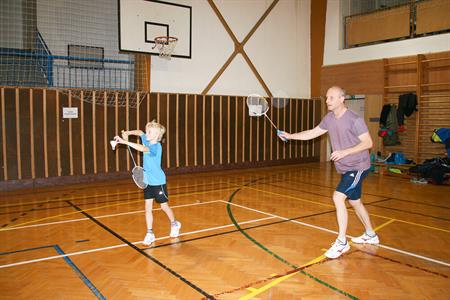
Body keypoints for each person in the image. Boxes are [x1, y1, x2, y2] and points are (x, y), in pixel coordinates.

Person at [278, 86, 379, 259]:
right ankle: (371, 235)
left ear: (342, 99)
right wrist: (291, 135)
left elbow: (368, 143)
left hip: (358, 166)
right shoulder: (329, 118)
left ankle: (342, 242)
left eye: (331, 98)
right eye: (326, 98)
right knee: (355, 202)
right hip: (346, 168)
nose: (327, 101)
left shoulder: (355, 119)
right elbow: (313, 132)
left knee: (338, 197)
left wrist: (344, 152)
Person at [114, 120, 181, 246]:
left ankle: (175, 224)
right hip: (147, 182)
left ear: (156, 135)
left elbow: (143, 149)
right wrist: (128, 132)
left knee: (164, 206)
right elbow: (139, 133)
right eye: (147, 130)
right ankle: (150, 233)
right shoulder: (147, 139)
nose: (146, 133)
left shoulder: (156, 147)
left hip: (158, 182)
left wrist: (124, 142)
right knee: (147, 209)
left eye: (149, 132)